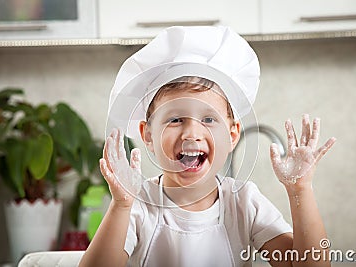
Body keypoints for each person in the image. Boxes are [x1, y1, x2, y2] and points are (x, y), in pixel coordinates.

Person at [79, 26, 336, 267]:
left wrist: (300, 191)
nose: (192, 133)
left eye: (209, 119)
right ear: (147, 134)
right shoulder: (138, 206)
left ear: (233, 134)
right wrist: (121, 205)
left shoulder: (244, 202)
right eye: (176, 119)